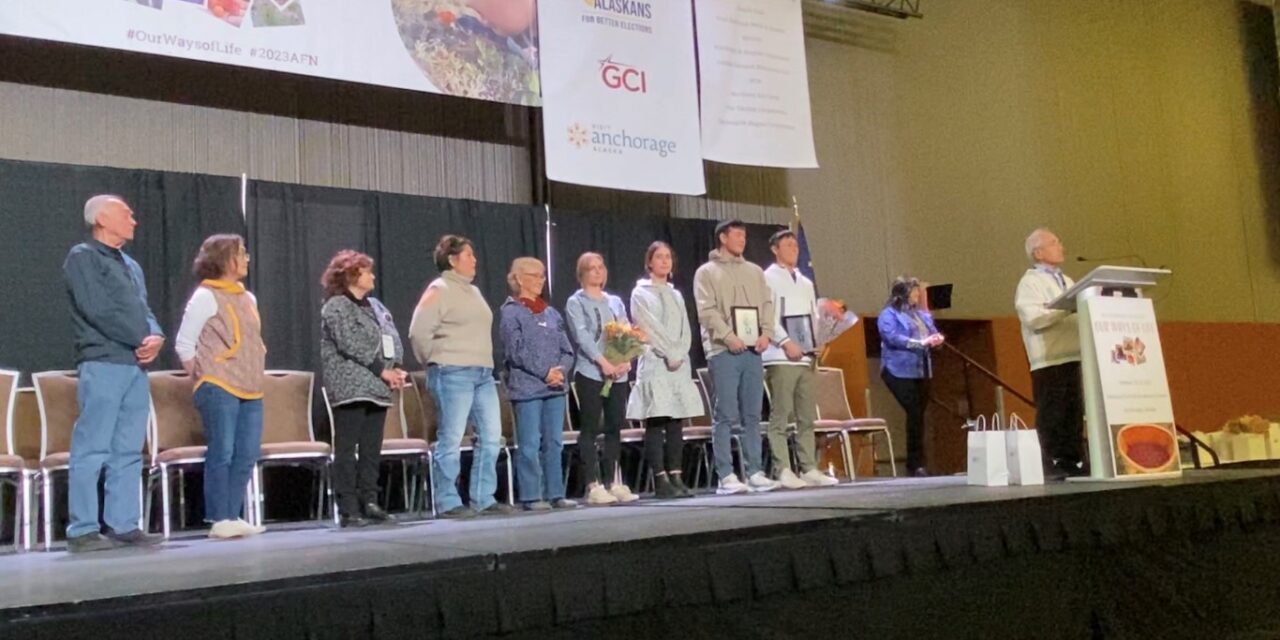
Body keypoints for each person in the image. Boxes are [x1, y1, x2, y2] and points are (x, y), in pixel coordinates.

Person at [61, 195, 165, 552]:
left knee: (128, 449)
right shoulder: (83, 257)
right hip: (103, 362)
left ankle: (123, 524)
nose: (134, 220)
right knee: (92, 447)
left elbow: (144, 309)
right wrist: (140, 337)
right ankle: (83, 529)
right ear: (103, 218)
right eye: (127, 214)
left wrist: (156, 336)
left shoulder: (131, 265)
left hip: (134, 366)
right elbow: (98, 309)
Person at [409, 235, 516, 517]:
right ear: (452, 260)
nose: (475, 260)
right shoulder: (439, 289)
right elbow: (418, 332)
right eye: (469, 255)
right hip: (452, 371)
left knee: (492, 436)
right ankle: (447, 500)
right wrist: (433, 361)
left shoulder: (474, 291)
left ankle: (483, 497)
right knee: (452, 436)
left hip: (482, 373)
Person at [175, 234, 267, 539]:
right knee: (223, 451)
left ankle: (232, 513)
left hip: (250, 385)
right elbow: (185, 344)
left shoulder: (247, 298)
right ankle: (218, 517)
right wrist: (203, 376)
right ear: (225, 259)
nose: (247, 258)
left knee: (247, 452)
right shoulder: (206, 296)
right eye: (241, 253)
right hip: (218, 384)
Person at [693, 220, 782, 495]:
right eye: (737, 235)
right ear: (723, 237)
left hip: (753, 350)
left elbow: (767, 304)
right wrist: (728, 335)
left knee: (752, 413)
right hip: (723, 350)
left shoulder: (755, 271)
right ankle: (726, 475)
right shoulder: (706, 272)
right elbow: (706, 311)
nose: (742, 239)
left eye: (744, 235)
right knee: (726, 413)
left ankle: (754, 470)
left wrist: (766, 333)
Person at [320, 250, 407, 527]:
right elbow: (349, 343)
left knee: (372, 448)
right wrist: (382, 370)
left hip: (378, 386)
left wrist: (396, 367)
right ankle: (349, 507)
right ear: (351, 275)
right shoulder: (335, 306)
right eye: (367, 271)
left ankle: (370, 501)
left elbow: (391, 338)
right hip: (351, 385)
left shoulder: (376, 307)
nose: (372, 276)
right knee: (347, 447)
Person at [499, 257, 578, 511]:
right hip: (527, 388)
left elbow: (567, 351)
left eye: (543, 275)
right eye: (535, 275)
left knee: (554, 442)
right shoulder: (511, 312)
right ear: (519, 279)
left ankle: (555, 493)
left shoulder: (551, 313)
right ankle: (532, 496)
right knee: (530, 443)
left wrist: (560, 371)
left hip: (555, 388)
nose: (541, 280)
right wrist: (545, 372)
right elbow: (515, 351)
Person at [762, 230, 839, 489]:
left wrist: (818, 341)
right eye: (788, 244)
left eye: (796, 244)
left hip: (805, 358)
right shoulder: (767, 278)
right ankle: (783, 468)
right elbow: (767, 316)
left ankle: (808, 467)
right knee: (781, 414)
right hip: (780, 356)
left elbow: (812, 317)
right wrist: (785, 342)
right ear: (775, 249)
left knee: (806, 415)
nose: (794, 248)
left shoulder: (806, 282)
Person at [626, 242, 702, 499]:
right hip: (657, 362)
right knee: (657, 420)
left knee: (675, 421)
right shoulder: (640, 293)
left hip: (678, 364)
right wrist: (669, 353)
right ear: (649, 263)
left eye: (668, 257)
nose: (664, 261)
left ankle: (677, 475)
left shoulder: (676, 294)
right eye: (659, 257)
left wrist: (680, 352)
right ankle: (660, 479)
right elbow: (648, 326)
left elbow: (685, 328)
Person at [565, 252, 640, 505]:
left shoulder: (615, 301)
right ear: (582, 274)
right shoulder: (576, 302)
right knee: (590, 427)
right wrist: (603, 362)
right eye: (591, 268)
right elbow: (582, 336)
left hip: (618, 374)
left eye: (600, 267)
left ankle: (613, 481)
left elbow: (624, 329)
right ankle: (593, 483)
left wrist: (625, 359)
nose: (597, 271)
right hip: (591, 372)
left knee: (614, 426)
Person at [1015, 228, 1085, 478]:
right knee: (1052, 413)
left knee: (1074, 412)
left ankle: (1072, 460)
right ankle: (1047, 462)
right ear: (1039, 252)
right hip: (1049, 358)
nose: (1061, 247)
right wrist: (1065, 309)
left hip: (1075, 355)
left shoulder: (1068, 280)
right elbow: (1033, 318)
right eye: (1055, 243)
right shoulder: (1030, 282)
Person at [877, 277, 944, 477]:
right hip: (897, 369)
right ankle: (915, 464)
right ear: (903, 293)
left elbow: (932, 333)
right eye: (914, 292)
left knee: (918, 415)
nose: (917, 295)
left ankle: (917, 463)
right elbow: (891, 337)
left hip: (921, 370)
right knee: (914, 410)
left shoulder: (922, 315)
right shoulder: (888, 314)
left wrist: (937, 339)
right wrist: (920, 343)